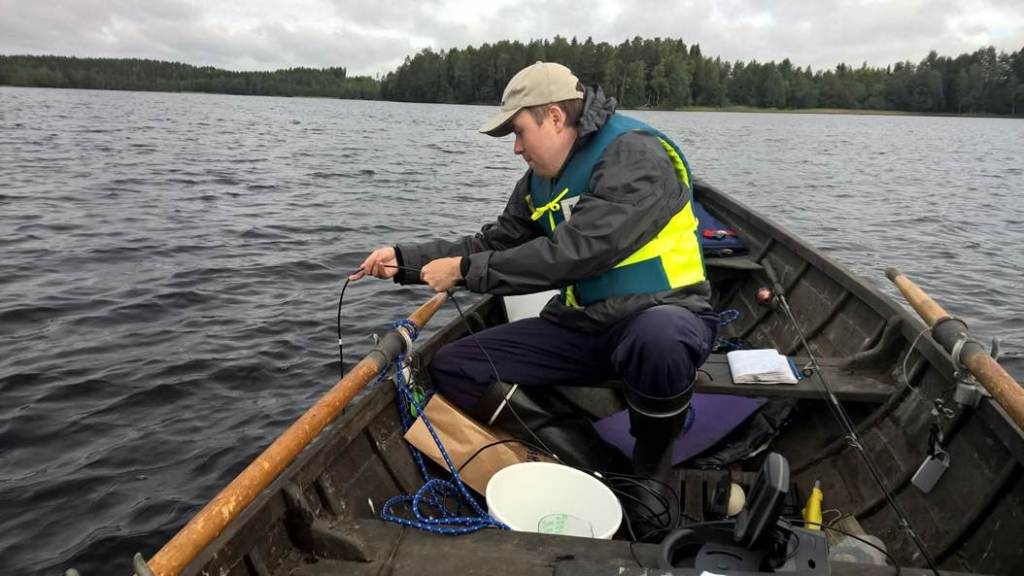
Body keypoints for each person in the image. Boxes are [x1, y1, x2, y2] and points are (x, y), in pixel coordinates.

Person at [351, 62, 717, 538]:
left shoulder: (636, 154)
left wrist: (463, 272)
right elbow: (492, 244)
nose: (516, 148)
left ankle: (650, 474)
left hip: (660, 314)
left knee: (659, 338)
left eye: (519, 132)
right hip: (583, 325)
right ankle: (601, 469)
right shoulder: (536, 183)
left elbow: (579, 252)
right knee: (456, 367)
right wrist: (405, 261)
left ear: (555, 117)